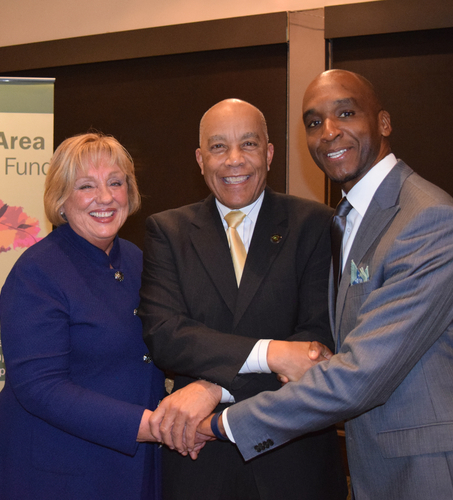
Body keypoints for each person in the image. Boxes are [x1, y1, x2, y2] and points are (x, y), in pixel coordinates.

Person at [198, 70, 453, 500]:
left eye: (346, 112)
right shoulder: (346, 219)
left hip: (435, 466)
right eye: (312, 122)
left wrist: (221, 422)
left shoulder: (426, 219)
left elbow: (363, 371)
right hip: (380, 460)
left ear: (383, 122)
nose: (328, 132)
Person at [138, 99, 348, 500]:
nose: (234, 160)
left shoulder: (316, 224)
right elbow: (166, 334)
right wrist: (272, 353)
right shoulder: (168, 231)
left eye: (248, 144)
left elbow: (317, 343)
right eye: (218, 147)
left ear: (268, 154)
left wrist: (216, 389)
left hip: (294, 463)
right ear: (200, 160)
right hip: (198, 466)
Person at [0, 132, 165, 499]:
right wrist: (148, 425)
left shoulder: (135, 258)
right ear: (61, 200)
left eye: (115, 182)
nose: (105, 197)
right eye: (86, 186)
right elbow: (40, 386)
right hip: (60, 469)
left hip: (132, 461)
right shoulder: (36, 271)